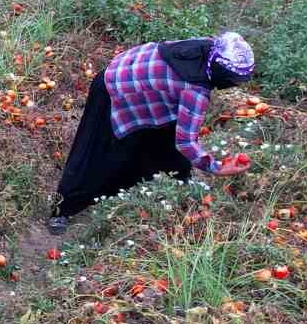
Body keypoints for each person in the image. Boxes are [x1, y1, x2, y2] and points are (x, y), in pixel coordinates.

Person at [48, 32, 254, 234]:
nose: (235, 85)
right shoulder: (195, 90)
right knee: (97, 153)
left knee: (167, 150)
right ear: (221, 72)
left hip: (138, 80)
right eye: (234, 80)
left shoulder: (208, 46)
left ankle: (173, 191)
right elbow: (186, 142)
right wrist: (217, 168)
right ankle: (63, 209)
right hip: (113, 87)